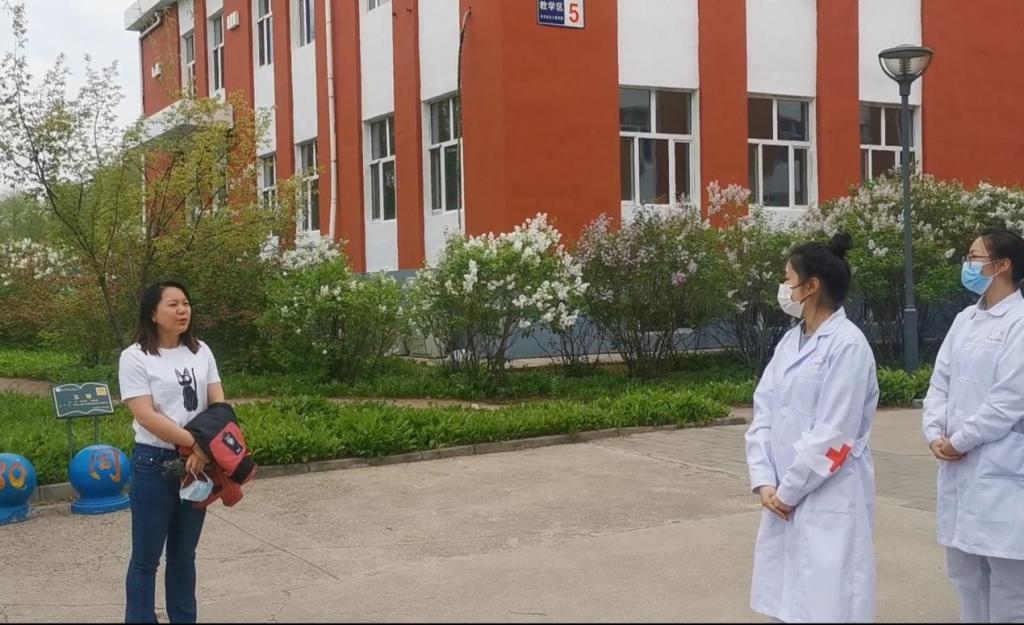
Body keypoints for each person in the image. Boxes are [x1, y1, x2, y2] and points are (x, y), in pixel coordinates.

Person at [744, 233, 879, 623]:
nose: (784, 288)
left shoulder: (848, 346)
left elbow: (834, 435)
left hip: (827, 496)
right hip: (781, 495)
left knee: (826, 605)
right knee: (785, 604)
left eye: (788, 278)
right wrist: (765, 480)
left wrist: (788, 491)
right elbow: (763, 412)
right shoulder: (791, 341)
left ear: (811, 286)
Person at [922, 228, 1024, 623]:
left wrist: (961, 440)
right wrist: (934, 433)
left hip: (1001, 467)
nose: (967, 265)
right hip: (958, 469)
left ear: (1002, 265)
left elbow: (1008, 399)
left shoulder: (1019, 322)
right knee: (965, 577)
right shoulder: (964, 319)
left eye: (973, 257)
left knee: (1009, 587)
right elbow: (940, 382)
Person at [119, 280, 224, 623]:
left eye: (186, 303)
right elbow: (146, 415)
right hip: (155, 463)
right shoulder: (135, 357)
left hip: (199, 464)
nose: (182, 310)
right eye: (173, 304)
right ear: (153, 313)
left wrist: (203, 449)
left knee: (184, 556)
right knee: (145, 560)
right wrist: (196, 443)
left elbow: (218, 405)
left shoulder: (201, 351)